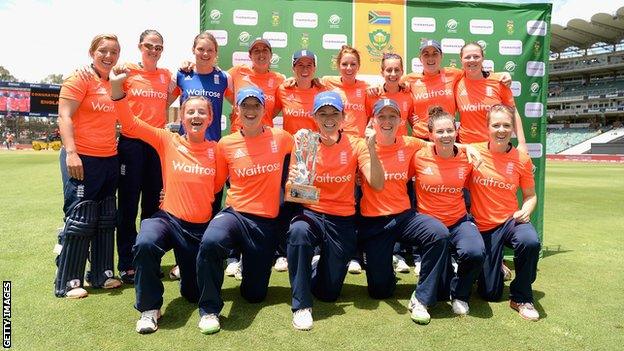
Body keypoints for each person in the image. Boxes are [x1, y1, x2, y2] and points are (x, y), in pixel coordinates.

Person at [109, 68, 219, 334]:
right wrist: (117, 89)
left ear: (210, 118)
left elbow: (225, 187)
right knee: (145, 240)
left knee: (192, 294)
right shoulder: (167, 140)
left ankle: (194, 286)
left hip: (198, 229)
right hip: (168, 220)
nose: (195, 116)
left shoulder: (218, 151)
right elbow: (131, 124)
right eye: (190, 112)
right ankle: (149, 308)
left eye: (201, 112)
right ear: (181, 116)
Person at [196, 86, 293, 334]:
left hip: (265, 223)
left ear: (264, 109)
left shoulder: (281, 138)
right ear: (236, 110)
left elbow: (308, 154)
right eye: (245, 106)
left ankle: (247, 268)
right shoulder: (225, 144)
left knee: (254, 295)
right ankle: (209, 309)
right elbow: (215, 183)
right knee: (211, 241)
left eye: (256, 105)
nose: (250, 110)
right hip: (235, 214)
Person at [286, 91, 384, 331]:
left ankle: (315, 265)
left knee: (329, 293)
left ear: (343, 117)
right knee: (298, 231)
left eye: (334, 113)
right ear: (314, 117)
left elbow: (377, 183)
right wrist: (321, 196)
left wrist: (372, 149)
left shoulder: (356, 143)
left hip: (342, 218)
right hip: (311, 214)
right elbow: (292, 192)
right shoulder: (305, 142)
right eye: (323, 113)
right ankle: (301, 306)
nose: (329, 118)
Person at [358, 99, 450, 325]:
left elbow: (443, 143)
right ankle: (385, 272)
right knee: (379, 291)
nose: (387, 121)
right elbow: (376, 183)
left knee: (438, 233)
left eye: (392, 116)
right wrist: (371, 148)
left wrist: (470, 150)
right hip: (375, 222)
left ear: (401, 121)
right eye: (382, 116)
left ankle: (421, 297)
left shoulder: (411, 144)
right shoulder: (361, 146)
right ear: (373, 120)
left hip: (404, 216)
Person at [54, 34, 123, 298]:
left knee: (105, 216)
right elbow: (65, 115)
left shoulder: (114, 82)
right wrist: (71, 152)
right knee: (80, 216)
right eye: (103, 51)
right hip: (81, 156)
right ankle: (69, 280)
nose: (108, 56)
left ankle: (101, 274)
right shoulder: (80, 78)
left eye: (114, 51)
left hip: (109, 158)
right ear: (91, 52)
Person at [468, 104, 540, 321]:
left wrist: (526, 210)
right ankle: (495, 267)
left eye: (506, 125)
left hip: (510, 221)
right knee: (489, 293)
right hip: (482, 228)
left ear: (512, 129)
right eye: (496, 125)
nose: (501, 130)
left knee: (530, 240)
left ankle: (521, 297)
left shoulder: (522, 159)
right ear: (487, 127)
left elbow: (530, 195)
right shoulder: (473, 151)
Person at [168, 31, 230, 281]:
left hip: (213, 152)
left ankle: (211, 256)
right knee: (185, 208)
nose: (204, 54)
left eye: (210, 50)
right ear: (193, 50)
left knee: (213, 205)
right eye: (200, 49)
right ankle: (183, 261)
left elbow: (243, 105)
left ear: (216, 54)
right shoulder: (183, 74)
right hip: (187, 152)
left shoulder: (223, 77)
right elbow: (165, 101)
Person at [114, 29, 176, 284]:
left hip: (156, 146)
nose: (153, 50)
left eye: (158, 47)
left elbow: (172, 96)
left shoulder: (166, 75)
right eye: (149, 45)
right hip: (131, 144)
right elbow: (110, 90)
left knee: (152, 206)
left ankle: (148, 259)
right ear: (140, 46)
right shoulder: (126, 70)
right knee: (128, 205)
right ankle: (127, 263)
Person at [221, 38, 286, 277]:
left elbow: (278, 107)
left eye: (265, 50)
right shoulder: (236, 72)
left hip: (268, 147)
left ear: (271, 55)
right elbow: (214, 79)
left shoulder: (279, 80)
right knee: (236, 201)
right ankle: (232, 257)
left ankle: (277, 253)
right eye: (256, 50)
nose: (260, 54)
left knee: (274, 201)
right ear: (250, 54)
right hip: (239, 146)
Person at [412, 106, 485, 316]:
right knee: (440, 290)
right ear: (430, 134)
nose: (445, 135)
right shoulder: (418, 157)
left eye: (449, 131)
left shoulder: (467, 157)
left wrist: (467, 146)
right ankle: (425, 293)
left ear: (456, 131)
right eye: (440, 132)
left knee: (475, 252)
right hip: (431, 227)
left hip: (458, 221)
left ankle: (460, 295)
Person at [272, 49, 325, 273]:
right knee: (285, 203)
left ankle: (312, 251)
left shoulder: (323, 89)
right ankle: (282, 253)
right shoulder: (283, 89)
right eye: (300, 65)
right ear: (293, 67)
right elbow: (268, 114)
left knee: (310, 203)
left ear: (314, 68)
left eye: (309, 65)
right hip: (288, 155)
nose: (304, 69)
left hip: (314, 157)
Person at [455, 42, 527, 154]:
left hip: (495, 147)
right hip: (468, 148)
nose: (472, 60)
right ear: (461, 60)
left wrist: (522, 143)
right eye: (467, 57)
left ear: (483, 58)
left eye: (476, 56)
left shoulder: (498, 81)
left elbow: (513, 112)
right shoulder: (456, 83)